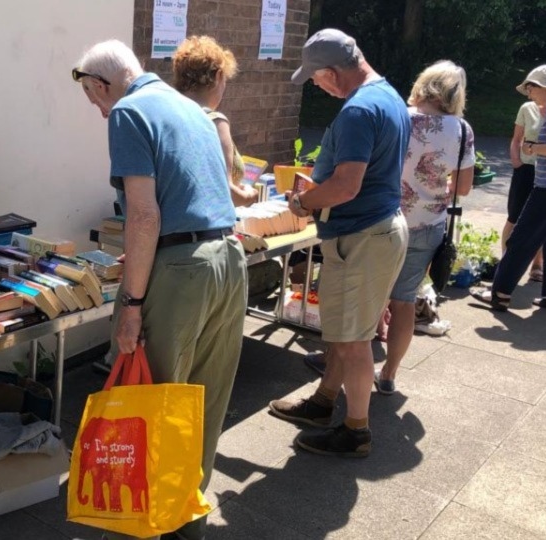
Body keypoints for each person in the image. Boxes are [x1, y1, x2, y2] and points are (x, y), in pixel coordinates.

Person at [74, 39, 247, 539]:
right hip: (227, 259)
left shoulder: (128, 113)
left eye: (94, 100)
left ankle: (153, 523)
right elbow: (190, 197)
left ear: (105, 85)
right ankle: (188, 514)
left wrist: (130, 302)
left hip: (182, 273)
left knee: (156, 400)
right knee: (203, 403)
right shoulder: (191, 108)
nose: (100, 111)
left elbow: (145, 214)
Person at [267, 28, 409, 457]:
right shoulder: (388, 96)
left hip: (360, 236)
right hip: (375, 230)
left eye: (314, 77)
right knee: (347, 331)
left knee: (352, 341)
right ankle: (323, 402)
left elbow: (347, 186)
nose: (314, 84)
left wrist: (305, 201)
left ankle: (355, 431)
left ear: (332, 72)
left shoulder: (358, 110)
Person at [376, 60, 475, 393]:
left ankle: (347, 363)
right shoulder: (461, 129)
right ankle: (389, 375)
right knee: (403, 300)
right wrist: (434, 189)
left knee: (368, 292)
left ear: (423, 85)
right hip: (428, 224)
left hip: (384, 219)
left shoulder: (398, 117)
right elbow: (462, 187)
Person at [472, 65, 546, 311]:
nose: (528, 94)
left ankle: (499, 293)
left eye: (530, 88)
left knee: (522, 237)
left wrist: (533, 148)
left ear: (542, 86)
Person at [172, 35, 259, 207]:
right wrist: (249, 196)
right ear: (219, 76)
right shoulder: (215, 122)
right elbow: (224, 191)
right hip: (208, 224)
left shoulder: (167, 114)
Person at [505, 99, 544, 281]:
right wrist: (517, 163)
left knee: (544, 221)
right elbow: (516, 139)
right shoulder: (528, 108)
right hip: (526, 168)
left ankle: (538, 264)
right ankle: (506, 262)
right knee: (514, 217)